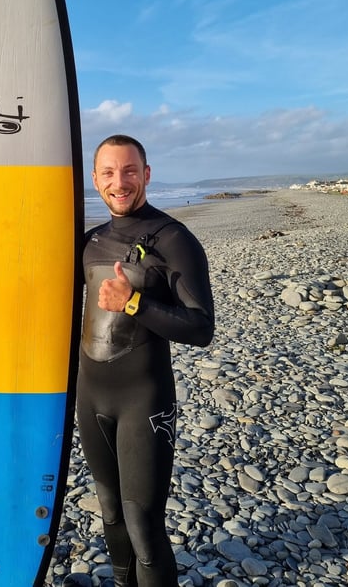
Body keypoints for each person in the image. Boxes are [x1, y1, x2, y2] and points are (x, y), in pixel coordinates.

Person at [77, 134, 215, 586]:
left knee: (142, 525)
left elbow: (200, 329)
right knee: (111, 512)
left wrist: (134, 303)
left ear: (147, 174)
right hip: (90, 394)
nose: (121, 182)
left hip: (144, 398)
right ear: (95, 179)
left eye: (130, 171)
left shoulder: (175, 240)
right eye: (110, 172)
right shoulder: (89, 242)